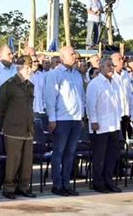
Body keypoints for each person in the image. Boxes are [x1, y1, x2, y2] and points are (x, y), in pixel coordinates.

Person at [45, 46, 85, 196]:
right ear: (62, 57)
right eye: (72, 53)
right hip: (62, 119)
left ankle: (66, 184)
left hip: (75, 119)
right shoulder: (55, 74)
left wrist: (81, 116)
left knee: (70, 153)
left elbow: (81, 96)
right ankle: (57, 184)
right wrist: (52, 118)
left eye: (74, 53)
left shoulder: (77, 74)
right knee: (59, 153)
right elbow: (50, 98)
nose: (75, 56)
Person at [0, 56, 36, 199]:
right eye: (30, 67)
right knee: (13, 160)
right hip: (13, 128)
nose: (31, 70)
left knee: (26, 161)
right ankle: (9, 188)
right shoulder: (9, 85)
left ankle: (23, 187)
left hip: (28, 128)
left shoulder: (30, 85)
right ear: (25, 68)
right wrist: (2, 125)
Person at [86, 58, 122, 193]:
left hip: (113, 124)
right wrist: (93, 121)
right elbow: (91, 104)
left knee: (111, 155)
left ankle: (109, 181)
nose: (111, 68)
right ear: (100, 67)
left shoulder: (115, 83)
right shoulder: (95, 84)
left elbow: (117, 103)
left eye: (112, 65)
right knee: (99, 156)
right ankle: (98, 182)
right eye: (108, 65)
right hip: (100, 125)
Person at [111, 52, 133, 140]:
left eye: (122, 59)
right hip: (115, 112)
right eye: (119, 59)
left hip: (126, 111)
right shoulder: (110, 76)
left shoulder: (126, 74)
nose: (122, 61)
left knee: (125, 134)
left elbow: (129, 93)